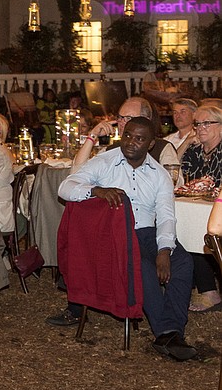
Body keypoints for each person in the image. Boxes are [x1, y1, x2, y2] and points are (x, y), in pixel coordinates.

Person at [53, 117, 196, 360]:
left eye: (139, 138)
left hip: (147, 232)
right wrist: (95, 191)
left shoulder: (159, 174)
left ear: (150, 144)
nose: (130, 142)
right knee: (141, 267)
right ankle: (167, 333)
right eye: (127, 135)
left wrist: (164, 250)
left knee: (182, 262)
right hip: (115, 235)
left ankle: (173, 329)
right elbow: (65, 187)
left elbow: (165, 215)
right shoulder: (105, 162)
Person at [179, 105, 222, 312]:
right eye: (198, 124)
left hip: (217, 209)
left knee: (197, 228)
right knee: (184, 225)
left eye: (207, 123)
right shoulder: (194, 149)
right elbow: (175, 169)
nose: (201, 128)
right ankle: (200, 287)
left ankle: (209, 291)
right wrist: (187, 140)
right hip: (194, 205)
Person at [71, 97, 179, 172]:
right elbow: (77, 173)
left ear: (146, 120)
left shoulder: (162, 148)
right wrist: (92, 135)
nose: (122, 123)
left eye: (128, 118)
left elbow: (174, 183)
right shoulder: (111, 150)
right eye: (120, 117)